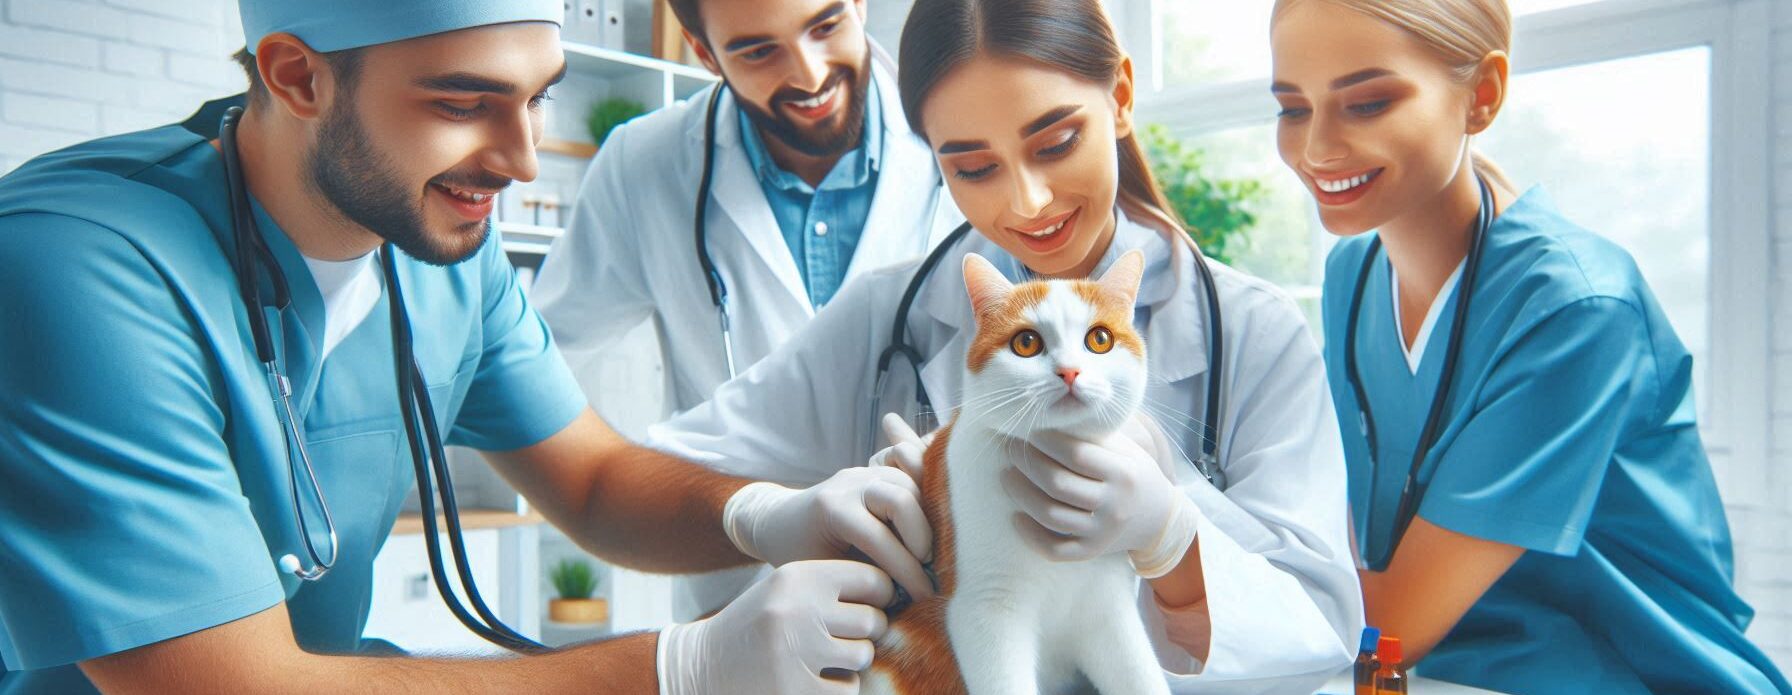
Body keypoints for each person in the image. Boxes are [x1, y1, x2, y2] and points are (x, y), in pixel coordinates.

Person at [0, 3, 941, 693]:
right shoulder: (72, 264)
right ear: (296, 76)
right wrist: (682, 665)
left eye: (537, 98)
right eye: (465, 102)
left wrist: (766, 514)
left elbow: (595, 482)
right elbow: (227, 685)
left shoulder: (441, 246)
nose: (523, 158)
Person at [646, 0, 1363, 691]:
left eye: (1055, 143)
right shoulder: (888, 313)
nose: (1026, 202)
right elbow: (637, 482)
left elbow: (1324, 631)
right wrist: (776, 514)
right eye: (973, 167)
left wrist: (1172, 535)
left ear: (1119, 96)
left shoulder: (1254, 330)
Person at [1269, 0, 1791, 691]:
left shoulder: (1578, 308)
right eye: (1293, 108)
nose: (1317, 149)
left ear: (1481, 95)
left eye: (1366, 103)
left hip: (1638, 676)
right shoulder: (1351, 273)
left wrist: (1176, 546)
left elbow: (1388, 622)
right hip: (1452, 675)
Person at [532, 0, 962, 620]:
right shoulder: (643, 166)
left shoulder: (958, 130)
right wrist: (612, 480)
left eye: (826, 24)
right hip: (742, 600)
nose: (810, 75)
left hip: (942, 602)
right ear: (703, 52)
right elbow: (533, 359)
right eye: (759, 50)